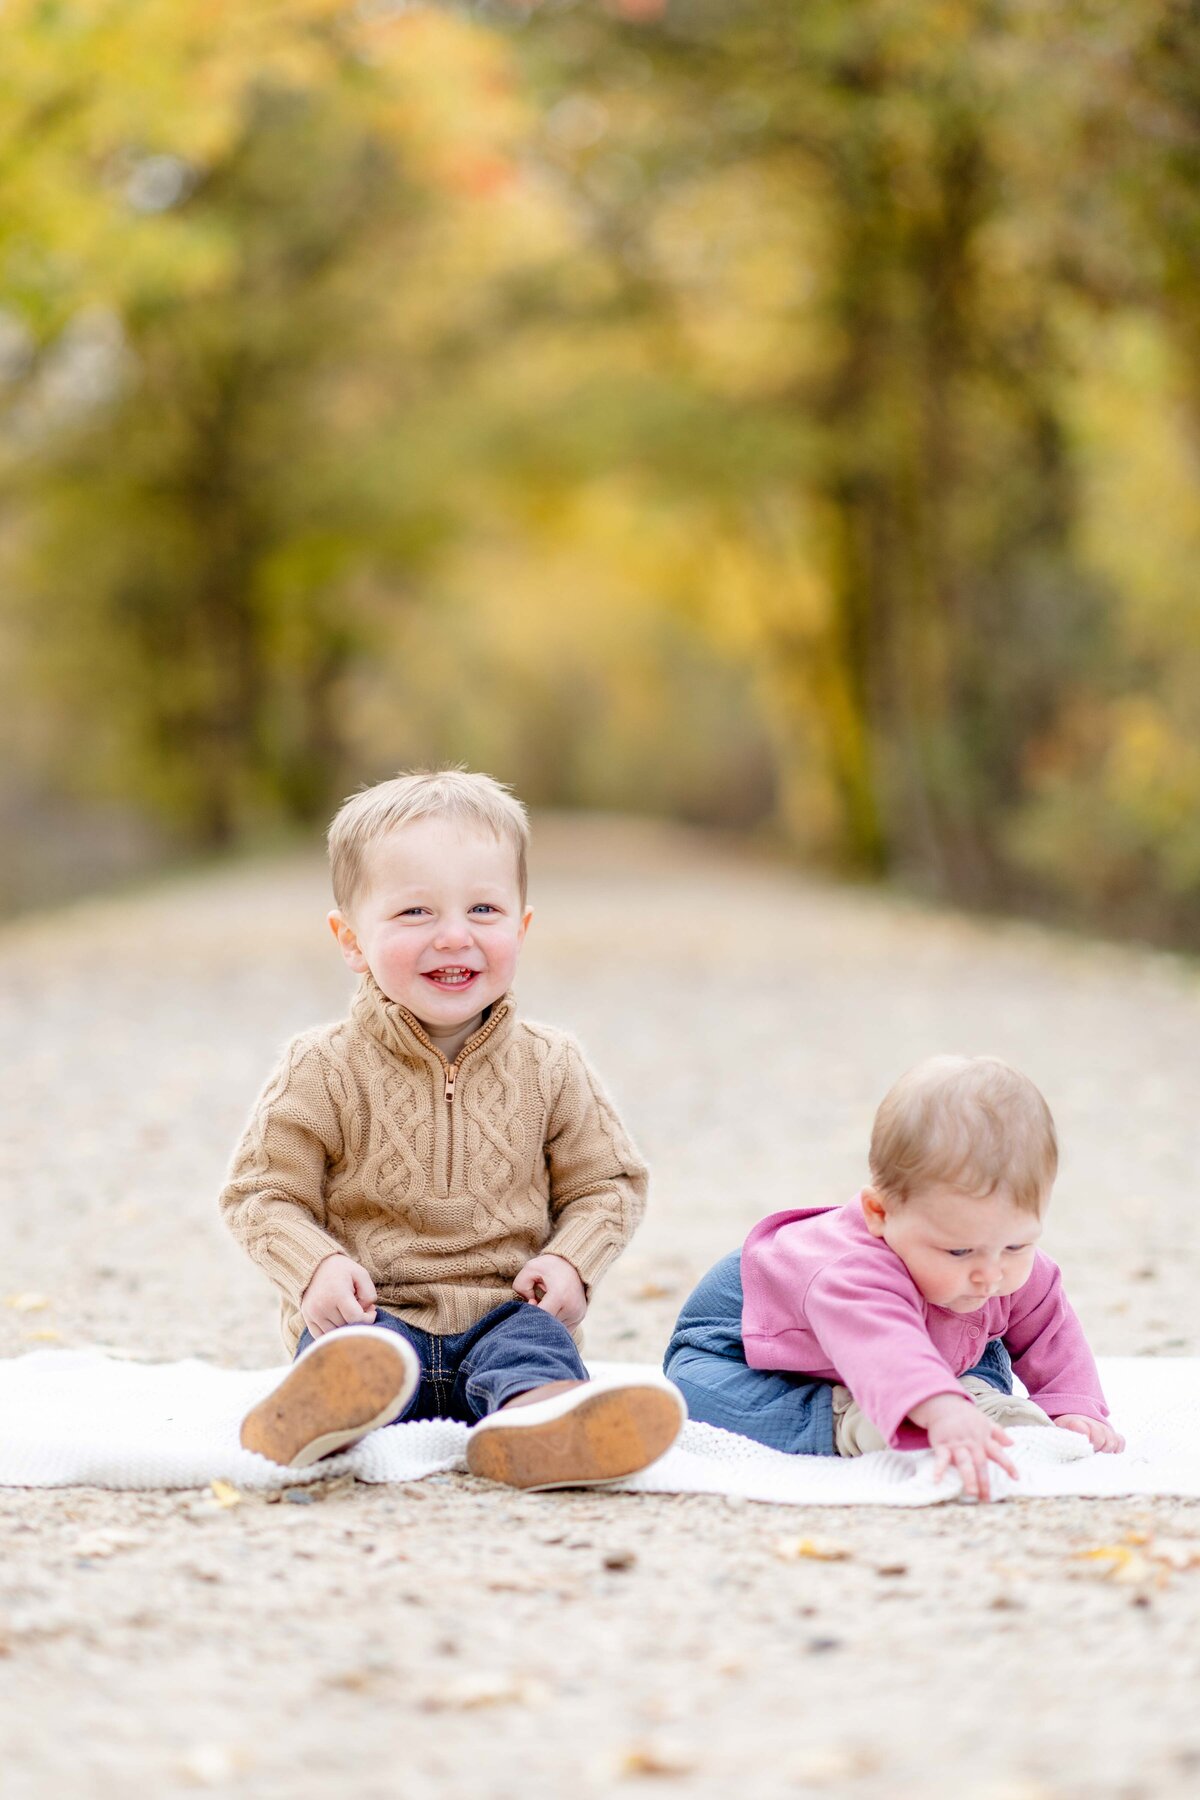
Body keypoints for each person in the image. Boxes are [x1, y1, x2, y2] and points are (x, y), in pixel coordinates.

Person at [221, 768, 684, 1488]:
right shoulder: (320, 1067)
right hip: (375, 1320)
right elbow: (260, 1193)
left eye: (484, 910)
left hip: (505, 1313)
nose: (454, 937)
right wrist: (312, 1266)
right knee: (351, 1353)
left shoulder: (552, 1066)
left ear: (522, 927)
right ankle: (321, 1421)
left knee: (536, 1351)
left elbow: (610, 1183)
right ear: (350, 939)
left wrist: (572, 1263)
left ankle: (545, 1428)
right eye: (414, 914)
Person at [665, 1055, 1123, 1500]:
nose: (990, 1273)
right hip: (747, 1354)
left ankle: (966, 1399)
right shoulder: (850, 1271)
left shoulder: (998, 1263)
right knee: (695, 1396)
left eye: (1016, 1246)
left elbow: (1052, 1331)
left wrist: (1074, 1406)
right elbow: (883, 1344)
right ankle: (853, 1419)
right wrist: (940, 1409)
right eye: (959, 1250)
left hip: (919, 1347)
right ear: (880, 1213)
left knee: (982, 1343)